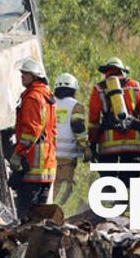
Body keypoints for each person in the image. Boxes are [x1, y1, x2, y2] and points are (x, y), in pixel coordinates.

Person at [88, 57, 140, 187]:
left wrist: (92, 144)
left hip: (108, 144)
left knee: (108, 182)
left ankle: (109, 205)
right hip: (133, 144)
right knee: (130, 182)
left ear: (106, 73)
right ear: (123, 71)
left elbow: (93, 120)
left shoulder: (99, 88)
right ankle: (127, 206)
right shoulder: (136, 86)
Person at [10, 57, 57, 221]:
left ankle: (25, 245)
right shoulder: (48, 97)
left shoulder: (32, 98)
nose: (22, 76)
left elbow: (31, 131)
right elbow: (52, 131)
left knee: (26, 216)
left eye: (25, 74)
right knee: (41, 217)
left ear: (34, 76)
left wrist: (19, 153)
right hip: (47, 166)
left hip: (32, 166)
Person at [51, 72, 88, 204]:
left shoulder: (50, 104)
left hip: (49, 154)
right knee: (64, 187)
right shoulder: (75, 106)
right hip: (66, 156)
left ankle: (46, 212)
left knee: (50, 186)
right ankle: (53, 212)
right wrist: (85, 147)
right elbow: (78, 127)